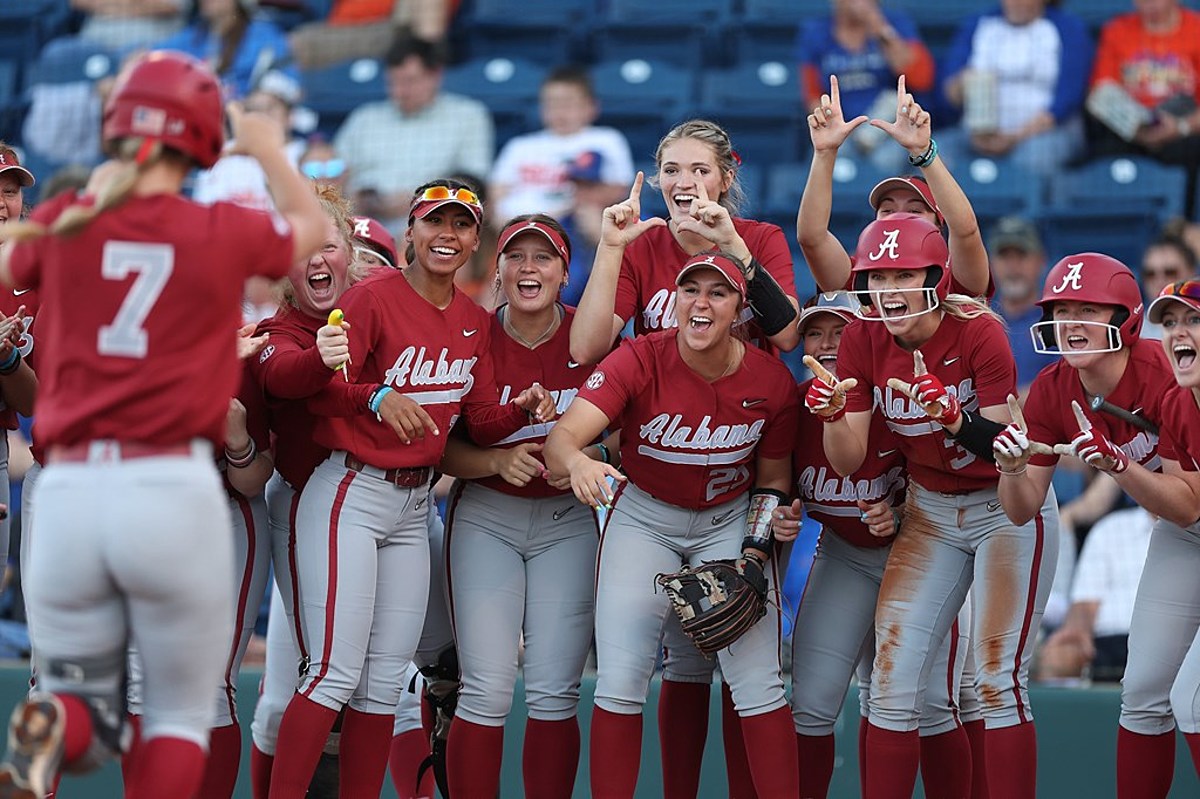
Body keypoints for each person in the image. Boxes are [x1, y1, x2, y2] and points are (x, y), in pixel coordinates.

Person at [0, 50, 324, 799]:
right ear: (202, 139)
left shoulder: (64, 222)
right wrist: (267, 144)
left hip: (70, 484)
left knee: (73, 692)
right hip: (170, 482)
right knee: (176, 711)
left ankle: (55, 731)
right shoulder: (219, 226)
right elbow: (308, 227)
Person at [266, 179, 554, 798]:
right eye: (434, 222)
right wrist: (374, 393)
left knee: (383, 682)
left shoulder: (476, 321)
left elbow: (474, 420)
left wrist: (521, 413)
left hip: (417, 500)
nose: (446, 235)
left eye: (460, 226)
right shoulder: (372, 297)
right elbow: (320, 387)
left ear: (476, 241)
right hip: (352, 490)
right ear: (411, 234)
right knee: (333, 674)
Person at [812, 213, 1057, 798]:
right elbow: (846, 460)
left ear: (936, 277)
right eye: (876, 276)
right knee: (892, 683)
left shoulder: (978, 331)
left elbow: (1006, 451)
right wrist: (830, 419)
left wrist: (952, 417)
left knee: (998, 679)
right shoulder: (862, 337)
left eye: (903, 274)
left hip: (1004, 502)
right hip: (930, 510)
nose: (888, 289)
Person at [545, 243, 801, 798]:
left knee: (758, 681)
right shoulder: (639, 356)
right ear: (674, 298)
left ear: (740, 309)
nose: (701, 303)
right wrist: (577, 463)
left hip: (728, 519)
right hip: (644, 516)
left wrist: (755, 553)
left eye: (718, 292)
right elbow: (562, 439)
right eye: (691, 289)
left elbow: (774, 479)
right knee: (621, 679)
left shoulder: (771, 380)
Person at [990, 252, 1177, 798]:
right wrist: (1011, 467)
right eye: (1062, 309)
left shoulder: (1165, 366)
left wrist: (1120, 465)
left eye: (1088, 309)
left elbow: (1186, 499)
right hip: (1177, 530)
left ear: (1125, 318)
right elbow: (1022, 508)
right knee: (1142, 693)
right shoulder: (1052, 388)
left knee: (1189, 698)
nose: (1071, 322)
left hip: (1182, 507)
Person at [774, 292, 974, 799]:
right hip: (844, 556)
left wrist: (904, 511)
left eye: (841, 332)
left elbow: (958, 484)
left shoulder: (901, 399)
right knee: (811, 702)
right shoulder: (793, 407)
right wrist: (778, 515)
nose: (829, 345)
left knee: (929, 704)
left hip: (926, 553)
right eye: (816, 332)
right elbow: (772, 487)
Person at [438, 214, 600, 798]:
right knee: (486, 686)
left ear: (564, 271)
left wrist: (587, 455)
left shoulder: (593, 337)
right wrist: (495, 463)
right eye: (515, 256)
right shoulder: (470, 336)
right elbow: (440, 448)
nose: (528, 268)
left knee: (556, 688)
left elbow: (634, 428)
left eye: (543, 257)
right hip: (488, 514)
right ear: (498, 271)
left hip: (568, 521)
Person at [571, 119, 800, 365]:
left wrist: (732, 244)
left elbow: (787, 337)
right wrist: (610, 248)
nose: (684, 182)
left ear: (726, 180)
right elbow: (585, 350)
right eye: (671, 170)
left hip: (744, 396)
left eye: (700, 171)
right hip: (663, 397)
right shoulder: (640, 246)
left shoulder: (761, 238)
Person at [798, 74, 992, 301]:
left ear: (939, 226)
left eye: (915, 211)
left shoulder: (955, 277)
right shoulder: (863, 277)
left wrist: (922, 151)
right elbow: (811, 238)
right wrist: (825, 153)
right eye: (887, 211)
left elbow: (966, 230)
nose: (899, 218)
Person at [335, 34, 493, 232]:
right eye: (393, 82)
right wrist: (358, 196)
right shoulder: (364, 118)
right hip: (363, 224)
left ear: (435, 75)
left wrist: (418, 199)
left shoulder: (468, 115)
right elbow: (334, 172)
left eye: (410, 81)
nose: (400, 91)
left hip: (432, 222)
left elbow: (473, 183)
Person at [938, 0, 1093, 175]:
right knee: (934, 155)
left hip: (1045, 132)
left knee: (1035, 159)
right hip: (977, 133)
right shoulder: (979, 24)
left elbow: (1068, 99)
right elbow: (948, 94)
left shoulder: (1067, 28)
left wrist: (1015, 137)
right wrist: (963, 84)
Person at [1088, 0, 1200, 218]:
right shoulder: (1117, 30)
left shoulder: (1196, 30)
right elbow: (1101, 93)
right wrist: (1136, 128)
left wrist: (1181, 127)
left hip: (1182, 128)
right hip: (1130, 130)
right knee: (1103, 151)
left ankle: (1181, 225)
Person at [797, 0, 935, 171]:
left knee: (887, 159)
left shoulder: (896, 23)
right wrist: (833, 129)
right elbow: (812, 96)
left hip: (889, 130)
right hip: (841, 126)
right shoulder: (816, 32)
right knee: (828, 156)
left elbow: (921, 79)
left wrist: (881, 29)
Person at [488, 66, 633, 225]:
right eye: (552, 104)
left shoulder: (606, 139)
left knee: (591, 215)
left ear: (591, 106)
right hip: (520, 216)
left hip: (572, 216)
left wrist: (570, 205)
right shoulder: (519, 145)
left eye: (568, 104)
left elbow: (619, 188)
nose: (560, 112)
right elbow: (497, 190)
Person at [1037, 505, 1154, 684]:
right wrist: (1076, 632)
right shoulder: (1112, 528)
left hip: (1176, 644)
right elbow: (1085, 603)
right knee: (1059, 654)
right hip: (1109, 642)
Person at [193, 70, 306, 212]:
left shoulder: (306, 155)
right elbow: (206, 209)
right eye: (253, 108)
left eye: (270, 108)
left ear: (290, 116)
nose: (261, 115)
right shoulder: (223, 153)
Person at [155, 0, 295, 100]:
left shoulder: (264, 37)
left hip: (243, 122)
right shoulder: (193, 36)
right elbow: (152, 56)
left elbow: (287, 84)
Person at [987, 216, 1056, 395]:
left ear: (1041, 261)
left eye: (1021, 255)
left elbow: (1065, 387)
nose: (1013, 266)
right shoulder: (978, 319)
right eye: (1004, 256)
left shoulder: (1059, 321)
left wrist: (997, 405)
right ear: (991, 262)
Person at [1141, 233, 1198, 339]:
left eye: (1170, 272)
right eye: (1150, 274)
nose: (1159, 281)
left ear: (1192, 273)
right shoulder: (1135, 333)